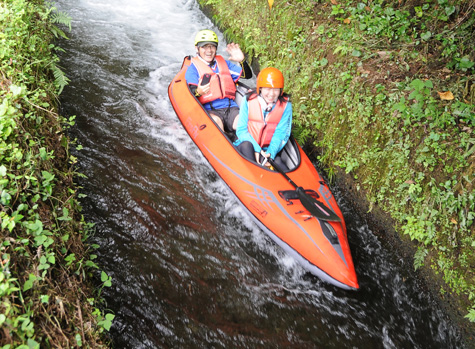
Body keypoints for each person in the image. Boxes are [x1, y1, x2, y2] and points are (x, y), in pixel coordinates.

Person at [185, 29, 252, 133]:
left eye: (212, 46)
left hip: (231, 109)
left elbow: (247, 75)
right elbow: (191, 93)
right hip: (211, 111)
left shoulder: (223, 63)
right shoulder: (193, 68)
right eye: (204, 46)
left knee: (244, 125)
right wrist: (198, 92)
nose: (209, 50)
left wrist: (242, 61)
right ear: (197, 48)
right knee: (217, 124)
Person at [233, 67, 292, 170]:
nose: (271, 94)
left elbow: (280, 134)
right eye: (267, 89)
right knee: (247, 146)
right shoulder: (248, 100)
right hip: (247, 144)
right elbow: (241, 130)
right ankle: (254, 173)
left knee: (277, 162)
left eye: (275, 89)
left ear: (281, 90)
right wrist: (257, 150)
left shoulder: (286, 106)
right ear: (260, 88)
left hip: (267, 149)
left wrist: (270, 154)